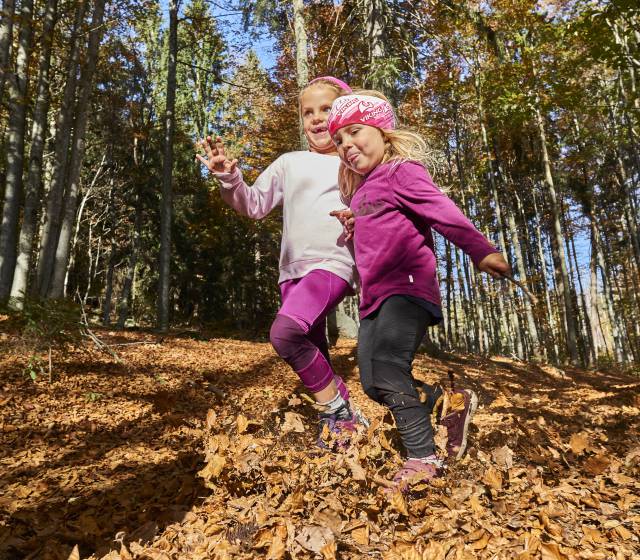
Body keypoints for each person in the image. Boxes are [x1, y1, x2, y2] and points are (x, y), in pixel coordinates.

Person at [327, 91, 511, 488]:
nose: (347, 145)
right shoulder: (362, 191)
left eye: (355, 132)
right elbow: (382, 224)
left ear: (381, 130)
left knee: (391, 366)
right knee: (374, 381)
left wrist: (482, 251)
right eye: (339, 140)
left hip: (407, 285)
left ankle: (423, 458)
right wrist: (356, 223)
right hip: (374, 297)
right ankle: (444, 403)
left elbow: (441, 212)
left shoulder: (402, 171)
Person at [196, 77, 367, 447]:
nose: (317, 118)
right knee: (312, 345)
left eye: (326, 109)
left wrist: (361, 221)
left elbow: (376, 209)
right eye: (308, 112)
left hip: (333, 264)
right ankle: (343, 429)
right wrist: (229, 177)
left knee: (285, 333)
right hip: (291, 272)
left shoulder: (354, 163)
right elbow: (254, 205)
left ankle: (339, 412)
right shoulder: (290, 162)